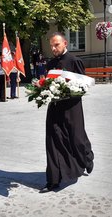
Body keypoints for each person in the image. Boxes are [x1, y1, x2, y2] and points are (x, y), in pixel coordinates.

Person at [40, 32, 94, 193]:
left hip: (72, 108)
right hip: (55, 108)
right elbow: (47, 83)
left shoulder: (74, 61)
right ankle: (53, 180)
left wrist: (68, 90)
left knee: (77, 138)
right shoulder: (50, 64)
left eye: (56, 45)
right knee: (52, 141)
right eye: (51, 45)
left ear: (65, 43)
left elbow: (84, 85)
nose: (53, 48)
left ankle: (87, 158)